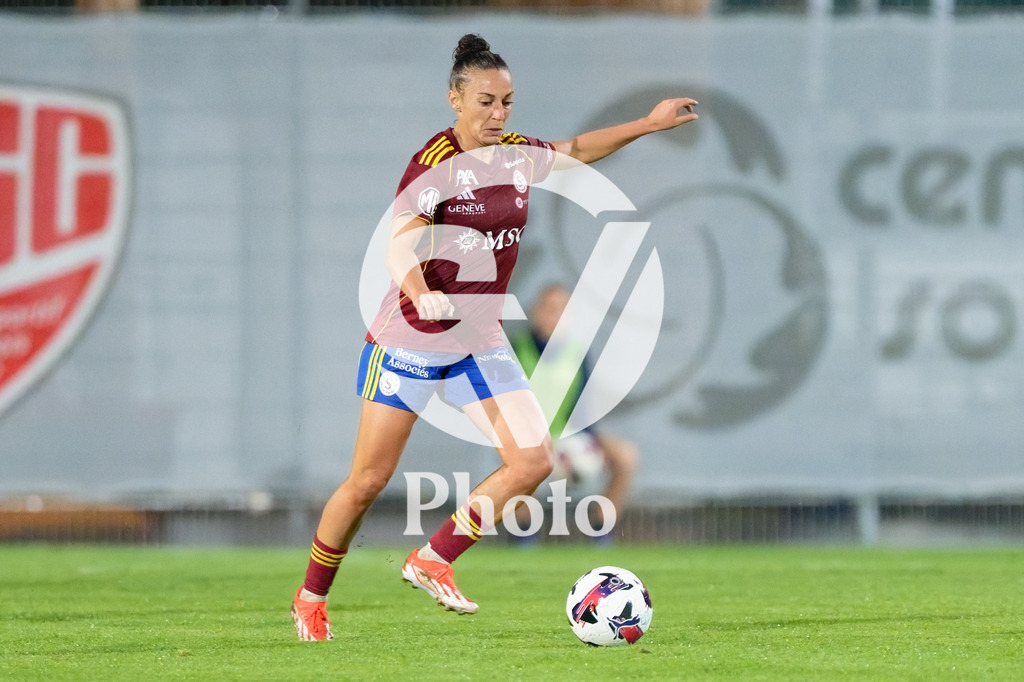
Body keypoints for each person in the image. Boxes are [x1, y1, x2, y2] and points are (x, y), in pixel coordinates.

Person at [291, 33, 697, 641]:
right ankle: (311, 598)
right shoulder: (434, 165)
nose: (499, 114)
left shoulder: (512, 154)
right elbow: (400, 239)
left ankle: (433, 558)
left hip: (477, 339)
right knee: (369, 481)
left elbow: (576, 149)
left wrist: (647, 123)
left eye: (507, 102)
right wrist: (418, 286)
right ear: (454, 99)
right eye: (485, 101)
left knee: (533, 459)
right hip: (411, 337)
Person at [509, 283, 639, 542]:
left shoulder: (577, 351)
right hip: (530, 438)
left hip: (570, 435)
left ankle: (601, 528)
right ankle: (525, 533)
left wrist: (586, 442)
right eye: (549, 307)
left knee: (626, 456)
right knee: (519, 456)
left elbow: (583, 404)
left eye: (562, 309)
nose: (554, 315)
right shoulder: (516, 348)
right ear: (536, 311)